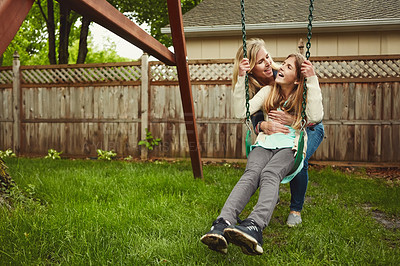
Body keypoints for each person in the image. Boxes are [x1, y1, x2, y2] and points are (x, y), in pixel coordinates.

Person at [200, 53, 324, 255]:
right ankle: (222, 223)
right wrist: (241, 78)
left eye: (289, 67)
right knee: (251, 174)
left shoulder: (303, 94)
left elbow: (316, 117)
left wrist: (312, 78)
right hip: (265, 144)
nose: (281, 68)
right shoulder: (268, 91)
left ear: (298, 78)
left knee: (270, 174)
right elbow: (241, 112)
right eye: (282, 64)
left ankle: (255, 225)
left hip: (290, 147)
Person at [234, 38, 325, 227]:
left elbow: (313, 114)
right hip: (275, 133)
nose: (269, 63)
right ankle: (270, 194)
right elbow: (248, 114)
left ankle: (295, 209)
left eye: (268, 57)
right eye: (261, 61)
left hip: (307, 128)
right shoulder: (252, 86)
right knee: (265, 168)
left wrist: (295, 121)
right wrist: (262, 126)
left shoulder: (285, 73)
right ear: (250, 67)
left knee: (299, 158)